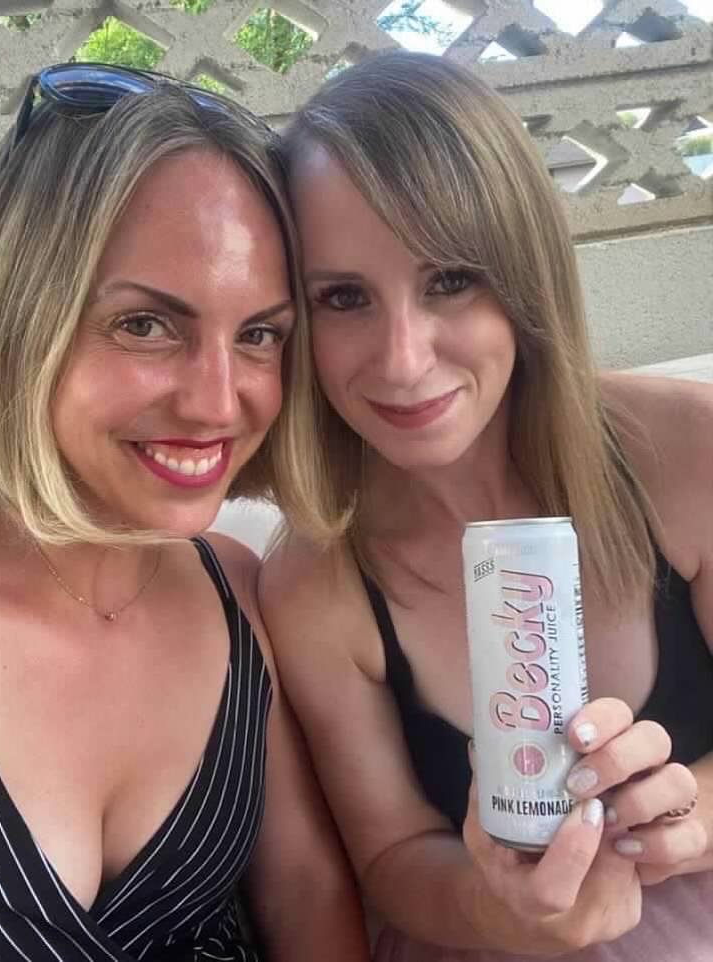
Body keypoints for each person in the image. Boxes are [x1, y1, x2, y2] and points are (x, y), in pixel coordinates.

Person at [259, 51, 713, 961]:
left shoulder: (688, 450)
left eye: (450, 280)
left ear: (524, 277)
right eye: (343, 297)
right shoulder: (313, 579)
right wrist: (498, 909)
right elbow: (390, 855)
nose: (403, 359)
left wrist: (691, 820)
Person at [0, 63, 371, 962]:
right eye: (144, 325)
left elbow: (307, 891)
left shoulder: (238, 590)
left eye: (259, 335)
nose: (217, 403)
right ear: (20, 317)